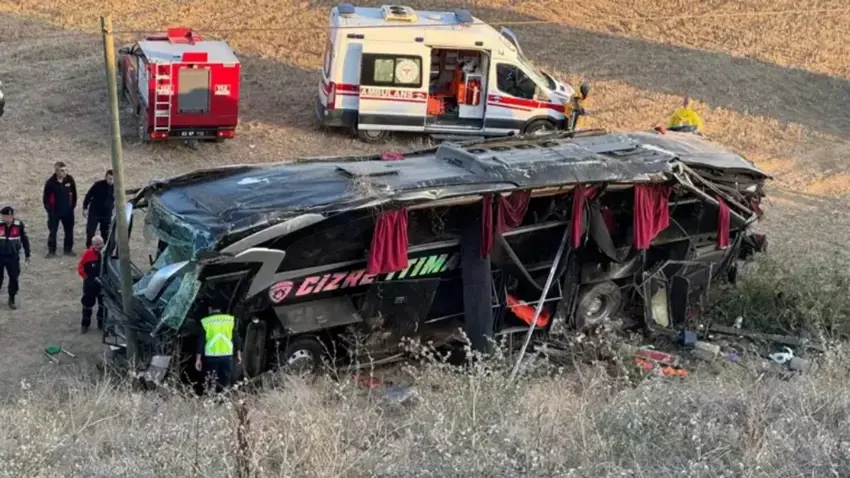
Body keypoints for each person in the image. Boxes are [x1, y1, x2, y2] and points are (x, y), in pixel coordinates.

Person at [195, 307, 242, 393]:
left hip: (212, 356)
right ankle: (224, 396)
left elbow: (201, 341)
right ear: (221, 309)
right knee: (226, 380)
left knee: (211, 379)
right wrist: (239, 354)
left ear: (210, 309)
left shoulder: (206, 322)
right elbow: (236, 338)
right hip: (227, 355)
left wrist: (198, 359)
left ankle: (211, 396)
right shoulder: (229, 320)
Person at [43, 161, 78, 257]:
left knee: (69, 231)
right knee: (53, 231)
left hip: (68, 211)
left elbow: (74, 194)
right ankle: (51, 251)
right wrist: (50, 210)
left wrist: (72, 206)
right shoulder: (50, 183)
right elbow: (46, 198)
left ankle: (68, 249)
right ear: (56, 171)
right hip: (55, 212)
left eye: (65, 170)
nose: (64, 172)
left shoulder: (69, 179)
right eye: (62, 170)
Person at [0, 206, 31, 309]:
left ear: (11, 216)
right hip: (0, 256)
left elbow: (24, 240)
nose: (5, 219)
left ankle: (11, 299)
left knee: (14, 278)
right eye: (3, 216)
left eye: (6, 216)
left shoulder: (19, 225)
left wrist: (27, 254)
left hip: (13, 256)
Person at [77, 235, 105, 333]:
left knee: (103, 305)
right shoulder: (87, 254)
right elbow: (80, 267)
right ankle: (85, 325)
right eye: (97, 245)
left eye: (101, 244)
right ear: (93, 245)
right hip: (90, 286)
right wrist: (87, 278)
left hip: (102, 285)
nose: (99, 247)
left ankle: (102, 324)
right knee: (87, 305)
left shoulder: (105, 254)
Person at [83, 169, 114, 248]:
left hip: (106, 214)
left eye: (113, 179)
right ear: (106, 177)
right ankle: (89, 248)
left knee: (105, 233)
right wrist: (85, 207)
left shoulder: (116, 188)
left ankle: (104, 249)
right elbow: (88, 195)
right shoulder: (98, 185)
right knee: (90, 232)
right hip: (95, 212)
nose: (111, 181)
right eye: (110, 178)